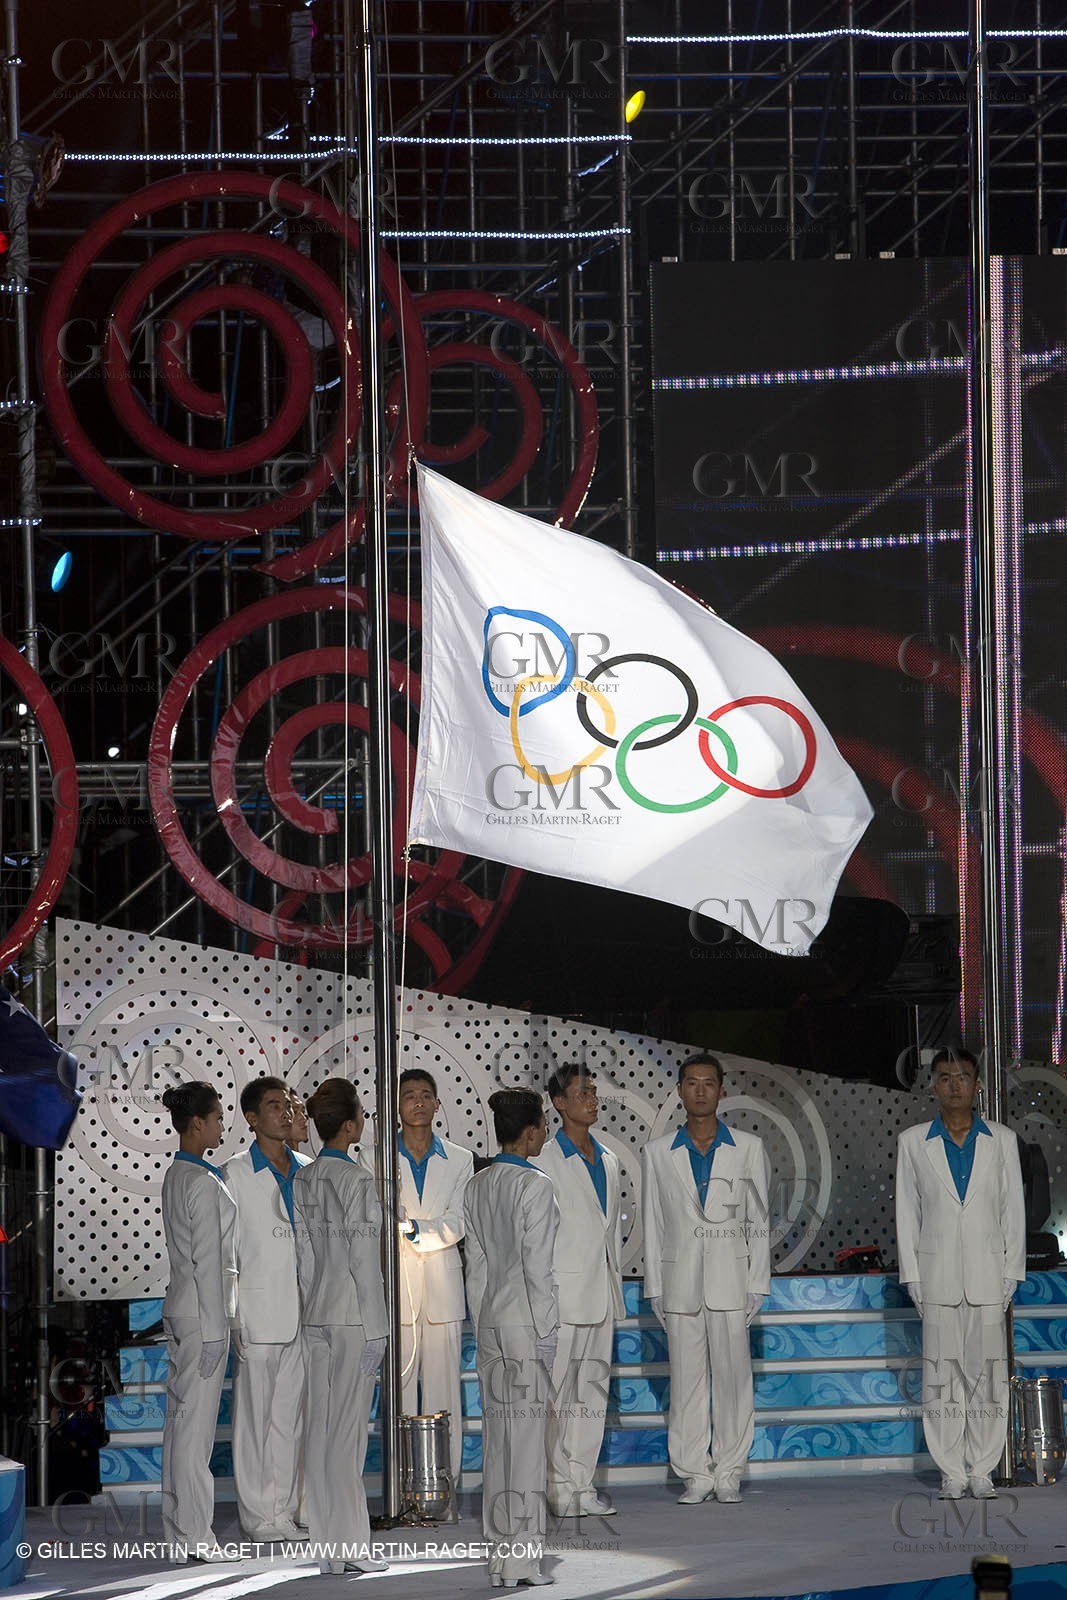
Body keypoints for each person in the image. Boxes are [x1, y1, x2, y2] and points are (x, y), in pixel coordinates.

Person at [896, 1047, 1025, 1500]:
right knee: (941, 1378)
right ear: (932, 1086)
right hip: (936, 1274)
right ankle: (951, 1469)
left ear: (977, 1085)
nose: (954, 1085)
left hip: (989, 1273)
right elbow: (906, 1212)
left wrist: (1013, 1270)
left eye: (963, 1077)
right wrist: (912, 1274)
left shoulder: (1002, 1139)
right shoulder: (913, 1141)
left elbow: (1013, 1211)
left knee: (989, 1376)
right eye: (945, 1077)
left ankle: (983, 1468)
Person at [642, 1052, 770, 1506]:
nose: (699, 1090)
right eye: (691, 1083)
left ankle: (730, 1469)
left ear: (720, 1090)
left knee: (735, 1380)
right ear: (679, 1092)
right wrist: (653, 1285)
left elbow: (758, 1219)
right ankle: (694, 1472)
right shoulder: (658, 1153)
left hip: (731, 1279)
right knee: (687, 1382)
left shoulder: (748, 1148)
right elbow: (653, 1224)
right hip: (679, 1282)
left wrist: (758, 1281)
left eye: (708, 1083)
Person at [293, 1078, 389, 1576]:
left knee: (321, 1432)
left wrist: (314, 1303)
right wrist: (379, 1326)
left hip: (317, 1313)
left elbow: (305, 1256)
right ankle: (353, 1547)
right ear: (350, 1126)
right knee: (347, 1436)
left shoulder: (304, 1179)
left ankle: (329, 1547)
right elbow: (362, 1259)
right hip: (352, 1316)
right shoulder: (356, 1179)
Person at [465, 1088, 559, 1589]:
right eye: (543, 1125)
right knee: (525, 1446)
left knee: (499, 1444)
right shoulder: (535, 1185)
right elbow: (538, 1268)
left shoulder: (477, 1185)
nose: (545, 1133)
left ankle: (502, 1558)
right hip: (524, 1322)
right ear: (528, 1132)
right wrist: (547, 1329)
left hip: (490, 1320)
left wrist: (481, 1320)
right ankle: (522, 1561)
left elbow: (476, 1267)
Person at [361, 1068, 474, 1483]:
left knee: (446, 1392)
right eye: (409, 1095)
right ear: (396, 1106)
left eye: (426, 1095)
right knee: (401, 1389)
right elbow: (374, 1216)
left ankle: (446, 1479)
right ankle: (404, 1481)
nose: (419, 1102)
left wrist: (412, 1230)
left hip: (444, 1287)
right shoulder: (375, 1157)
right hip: (398, 1286)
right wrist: (413, 1229)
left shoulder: (461, 1159)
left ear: (438, 1104)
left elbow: (460, 1220)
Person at [533, 1064, 623, 1518]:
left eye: (593, 1091)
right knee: (557, 1397)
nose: (590, 1098)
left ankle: (582, 1483)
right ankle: (557, 1485)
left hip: (601, 1293)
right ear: (558, 1103)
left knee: (591, 1395)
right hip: (562, 1295)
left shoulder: (609, 1158)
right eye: (580, 1092)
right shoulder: (544, 1161)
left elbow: (609, 1235)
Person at [223, 1076, 310, 1541]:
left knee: (290, 1419)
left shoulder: (308, 1166)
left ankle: (283, 1512)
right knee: (254, 1421)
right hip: (257, 1311)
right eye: (274, 1106)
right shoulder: (234, 1173)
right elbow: (228, 1252)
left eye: (288, 1105)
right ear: (252, 1118)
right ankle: (259, 1518)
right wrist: (234, 1314)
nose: (286, 1112)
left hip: (304, 1311)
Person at [160, 1081, 238, 1562]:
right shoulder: (201, 1182)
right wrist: (215, 1329)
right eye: (217, 1117)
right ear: (198, 1124)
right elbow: (209, 1262)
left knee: (180, 1424)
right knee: (194, 1429)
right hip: (202, 1314)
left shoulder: (178, 1175)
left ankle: (181, 1531)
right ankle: (196, 1535)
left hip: (183, 1308)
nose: (221, 1124)